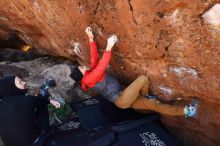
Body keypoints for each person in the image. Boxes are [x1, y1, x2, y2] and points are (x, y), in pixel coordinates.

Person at [70, 27, 198, 118]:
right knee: (142, 79)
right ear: (81, 74)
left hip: (125, 96)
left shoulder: (89, 74)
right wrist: (109, 47)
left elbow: (94, 58)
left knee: (155, 105)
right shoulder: (87, 80)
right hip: (121, 99)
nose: (83, 66)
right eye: (81, 68)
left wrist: (91, 38)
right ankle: (146, 95)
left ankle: (186, 112)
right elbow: (101, 67)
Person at [0, 75, 60, 146]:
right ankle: (46, 132)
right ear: (11, 88)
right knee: (41, 106)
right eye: (20, 82)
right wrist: (47, 99)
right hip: (35, 143)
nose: (24, 82)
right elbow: (41, 99)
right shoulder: (27, 100)